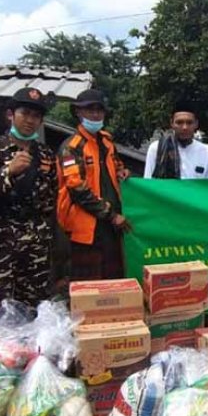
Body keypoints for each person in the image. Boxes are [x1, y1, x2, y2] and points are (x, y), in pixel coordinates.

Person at [0, 87, 58, 334]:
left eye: (36, 116)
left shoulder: (46, 154)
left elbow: (52, 198)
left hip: (36, 251)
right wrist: (8, 171)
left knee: (35, 318)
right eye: (25, 113)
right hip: (1, 249)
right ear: (11, 114)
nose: (30, 121)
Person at [56, 89, 131, 282]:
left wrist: (123, 171)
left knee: (114, 281)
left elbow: (115, 164)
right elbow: (77, 189)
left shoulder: (107, 141)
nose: (96, 114)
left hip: (113, 227)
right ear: (79, 113)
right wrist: (111, 215)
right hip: (87, 227)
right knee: (90, 287)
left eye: (99, 110)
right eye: (90, 110)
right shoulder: (71, 147)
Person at [143, 100, 208, 179]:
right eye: (179, 122)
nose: (184, 127)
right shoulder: (156, 149)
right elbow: (148, 183)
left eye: (189, 123)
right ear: (172, 123)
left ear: (196, 124)